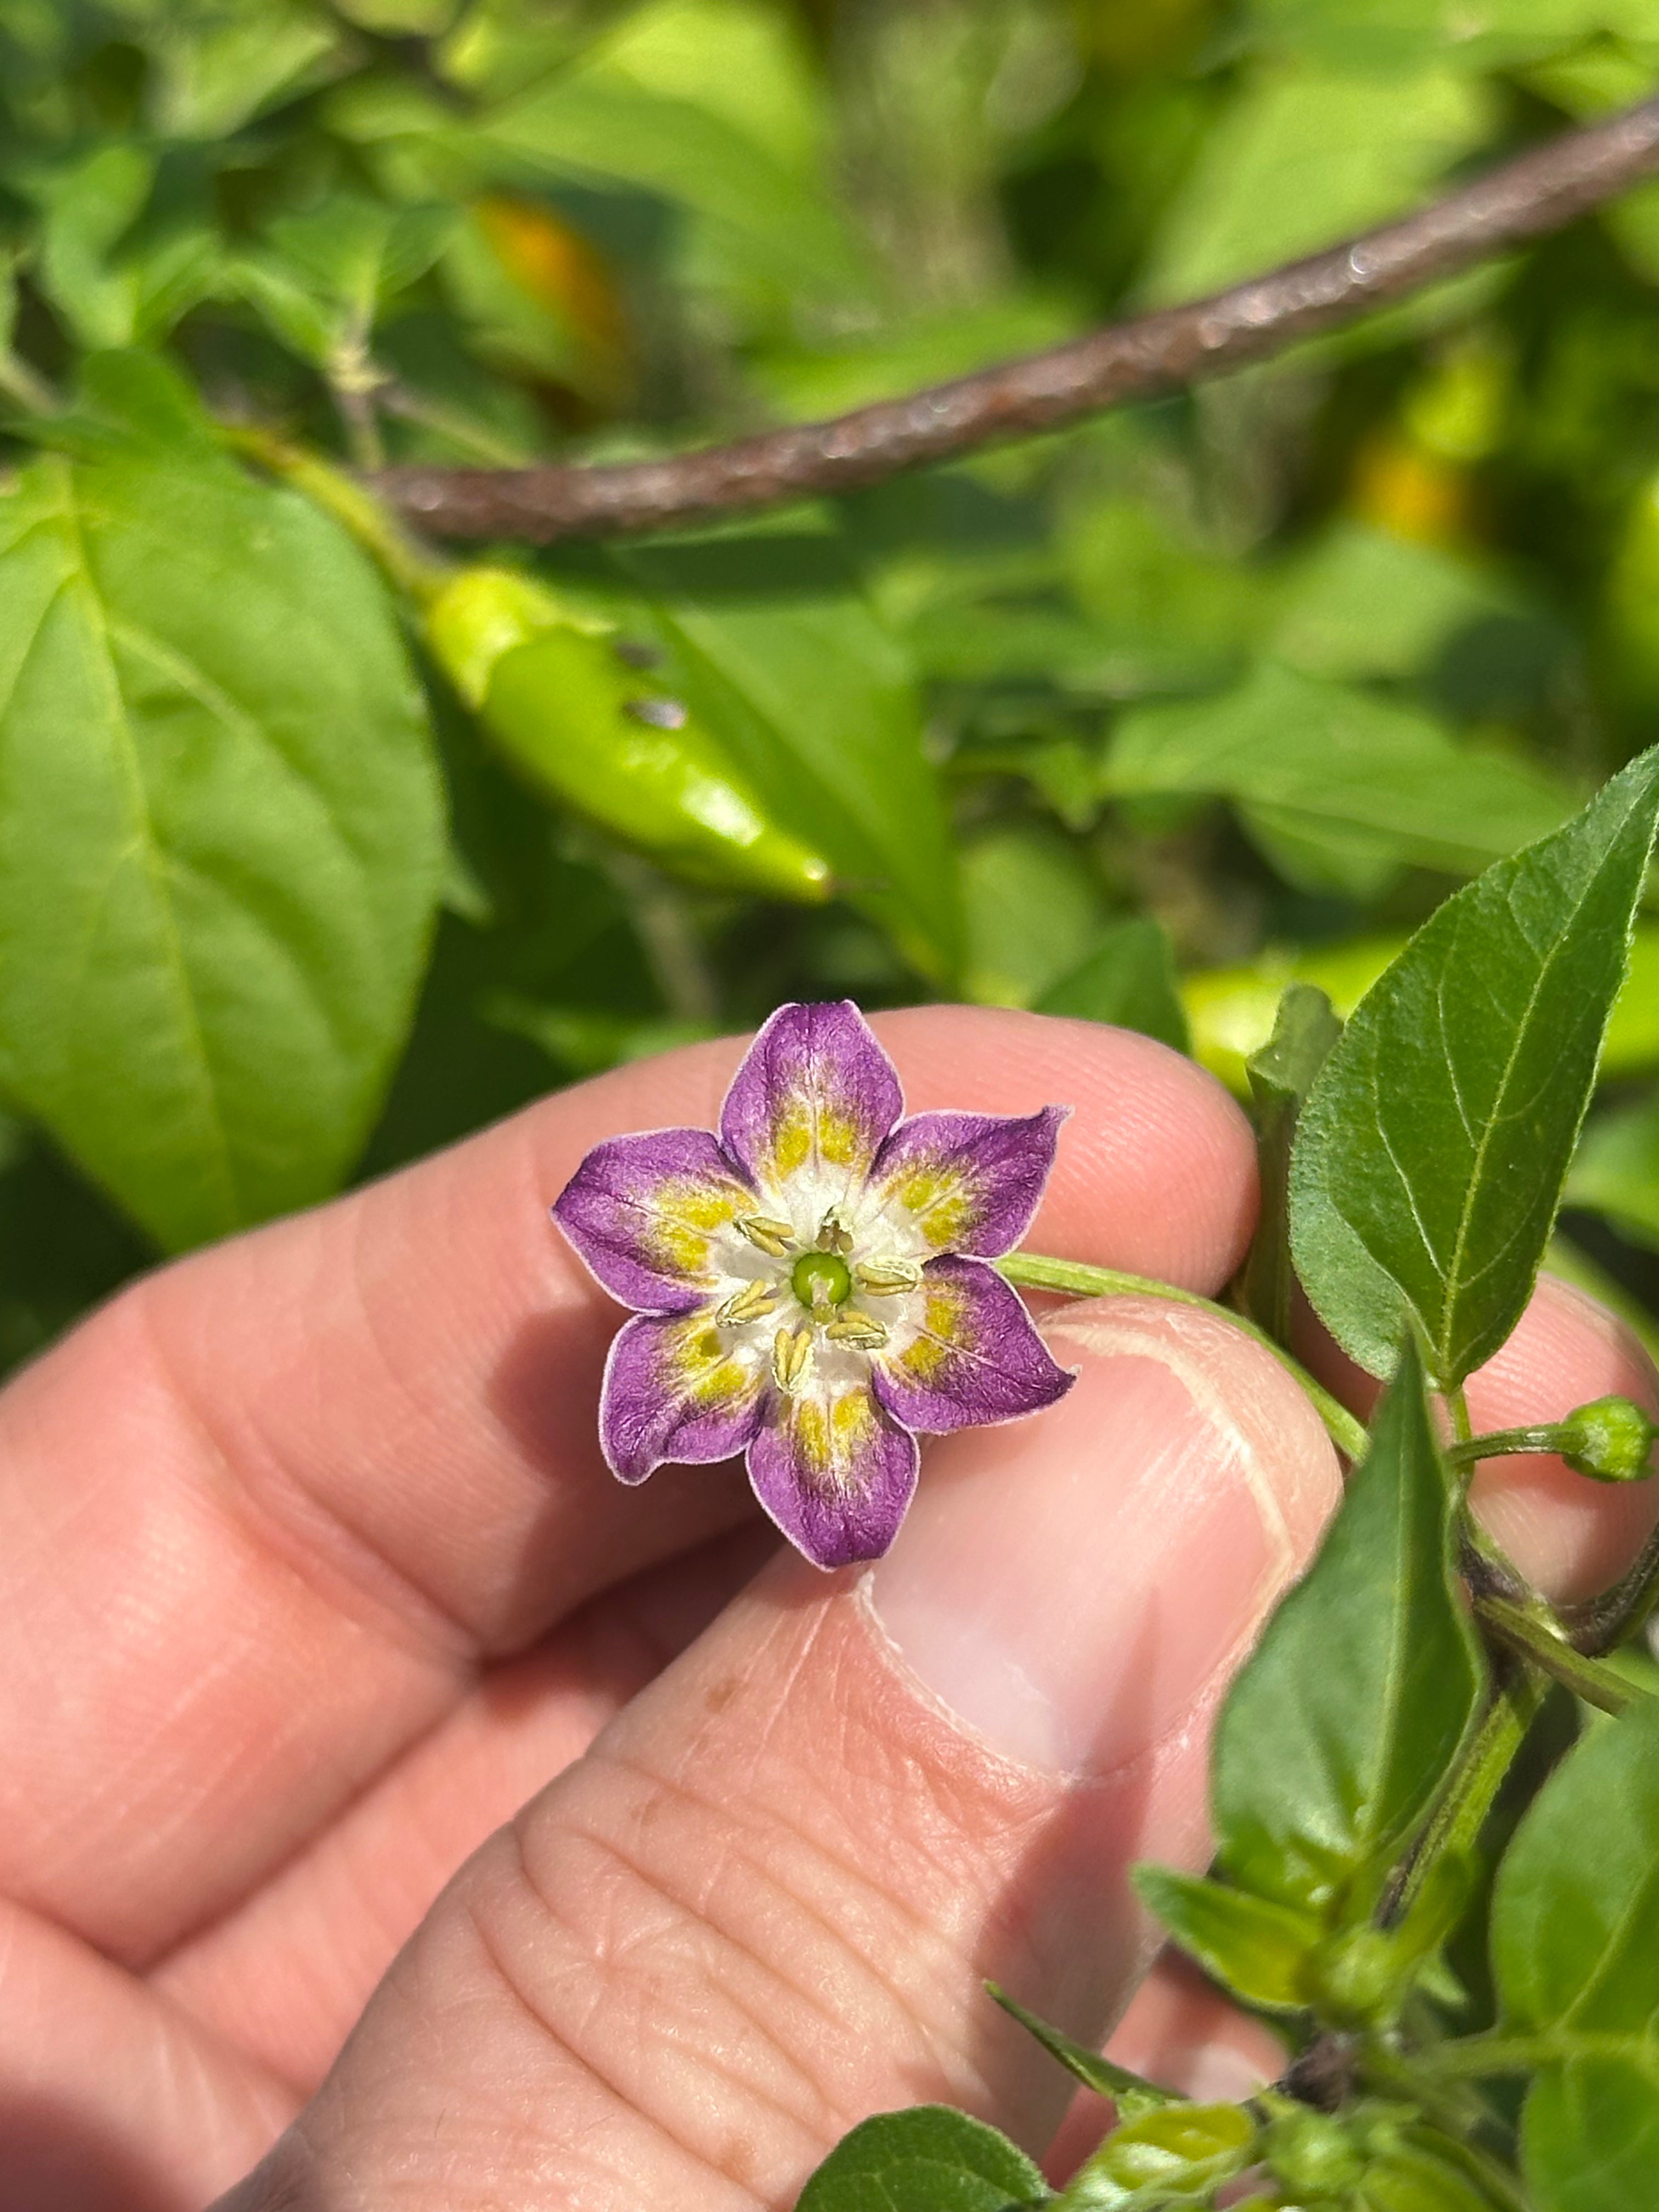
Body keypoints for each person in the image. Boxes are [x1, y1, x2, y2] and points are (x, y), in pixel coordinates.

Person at [2, 1009, 1653, 2212]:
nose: (819, 1286)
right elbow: (694, 1352)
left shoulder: (904, 1272)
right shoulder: (773, 1325)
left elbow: (943, 1235)